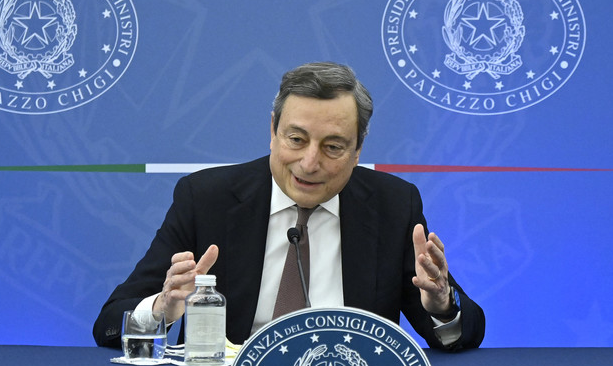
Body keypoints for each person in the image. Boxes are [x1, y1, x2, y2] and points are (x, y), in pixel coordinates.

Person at [93, 62, 485, 350]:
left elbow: (459, 334)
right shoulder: (207, 198)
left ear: (358, 149)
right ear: (272, 131)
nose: (310, 163)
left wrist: (442, 305)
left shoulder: (393, 205)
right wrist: (162, 308)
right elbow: (111, 322)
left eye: (333, 146)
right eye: (296, 140)